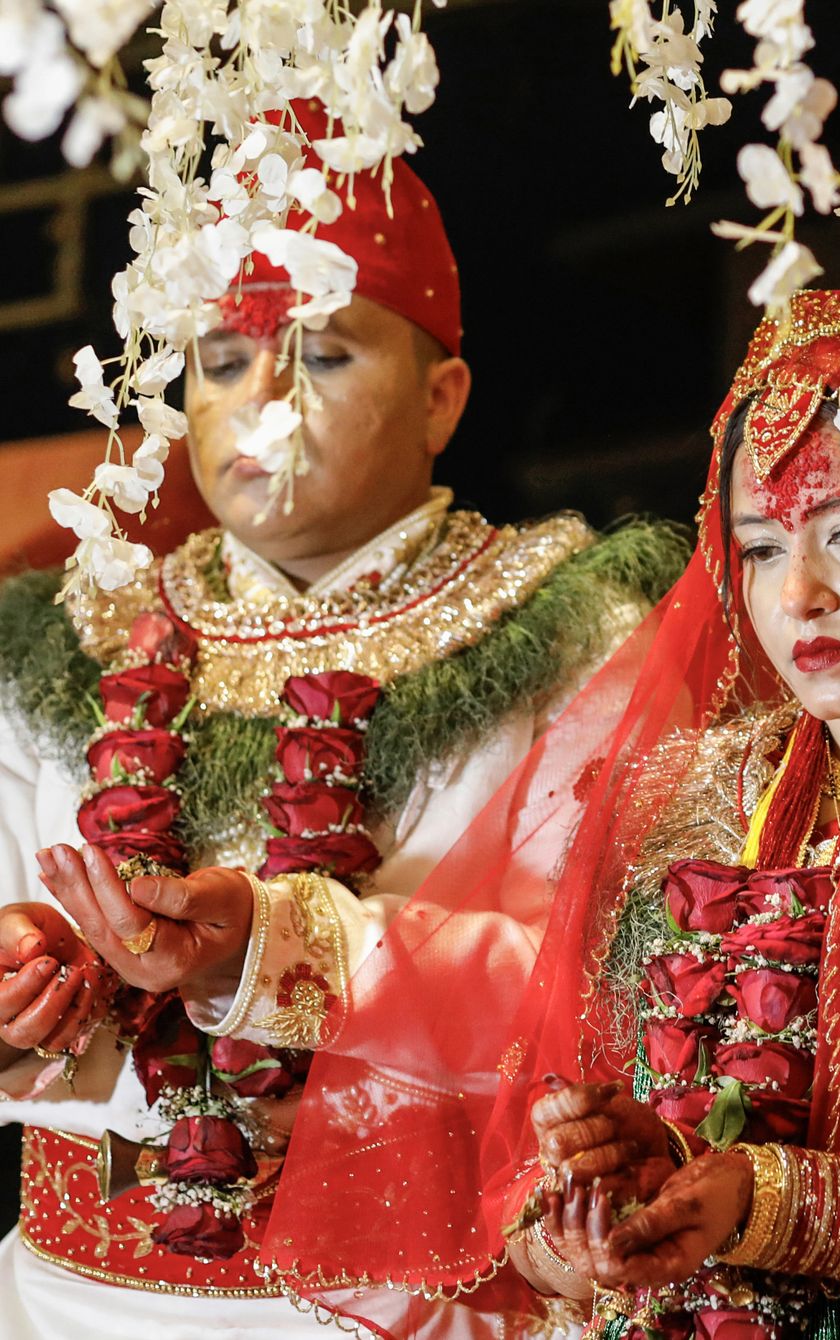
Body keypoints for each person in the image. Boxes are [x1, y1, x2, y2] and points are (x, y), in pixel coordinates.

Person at [260, 289, 840, 1338]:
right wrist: (595, 1207)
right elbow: (529, 1225)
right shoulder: (679, 805)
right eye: (760, 548)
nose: (799, 595)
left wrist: (769, 1200)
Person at [0, 117, 688, 1338]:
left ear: (441, 398)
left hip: (406, 1307)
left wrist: (277, 948)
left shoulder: (577, 632)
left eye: (320, 354)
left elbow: (618, 1000)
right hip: (61, 1298)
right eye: (221, 360)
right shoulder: (62, 636)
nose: (262, 400)